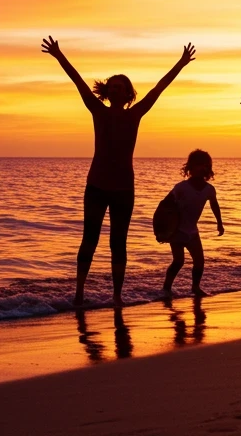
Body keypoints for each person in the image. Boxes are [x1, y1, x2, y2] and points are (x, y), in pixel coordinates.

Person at [41, 36, 195, 306]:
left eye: (119, 87)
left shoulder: (134, 114)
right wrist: (59, 55)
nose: (114, 90)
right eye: (111, 87)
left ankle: (117, 295)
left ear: (128, 94)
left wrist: (181, 63)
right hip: (97, 187)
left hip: (124, 189)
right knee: (89, 238)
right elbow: (78, 81)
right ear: (107, 92)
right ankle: (79, 292)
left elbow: (159, 89)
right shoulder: (97, 111)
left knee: (118, 243)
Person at [161, 150, 225, 298]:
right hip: (176, 231)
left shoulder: (209, 189)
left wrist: (219, 223)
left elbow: (215, 206)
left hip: (192, 232)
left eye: (205, 165)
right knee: (178, 261)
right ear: (190, 167)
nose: (201, 168)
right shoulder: (181, 187)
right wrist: (163, 229)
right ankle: (166, 288)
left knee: (200, 261)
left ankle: (195, 287)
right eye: (198, 165)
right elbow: (165, 205)